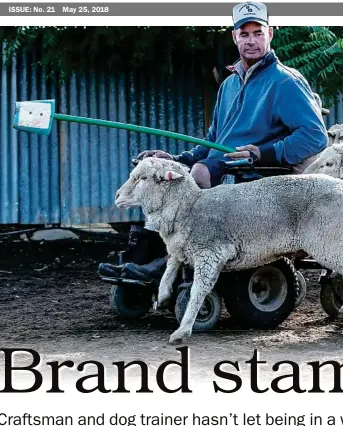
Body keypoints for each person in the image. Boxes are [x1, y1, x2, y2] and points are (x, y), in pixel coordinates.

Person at [99, 1, 328, 280]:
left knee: (197, 173)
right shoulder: (229, 85)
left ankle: (168, 262)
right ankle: (143, 257)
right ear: (234, 37)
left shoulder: (285, 82)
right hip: (222, 166)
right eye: (244, 34)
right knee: (159, 175)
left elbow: (315, 136)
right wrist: (175, 160)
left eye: (258, 33)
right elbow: (213, 140)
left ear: (271, 34)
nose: (251, 40)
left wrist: (264, 153)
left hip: (256, 174)